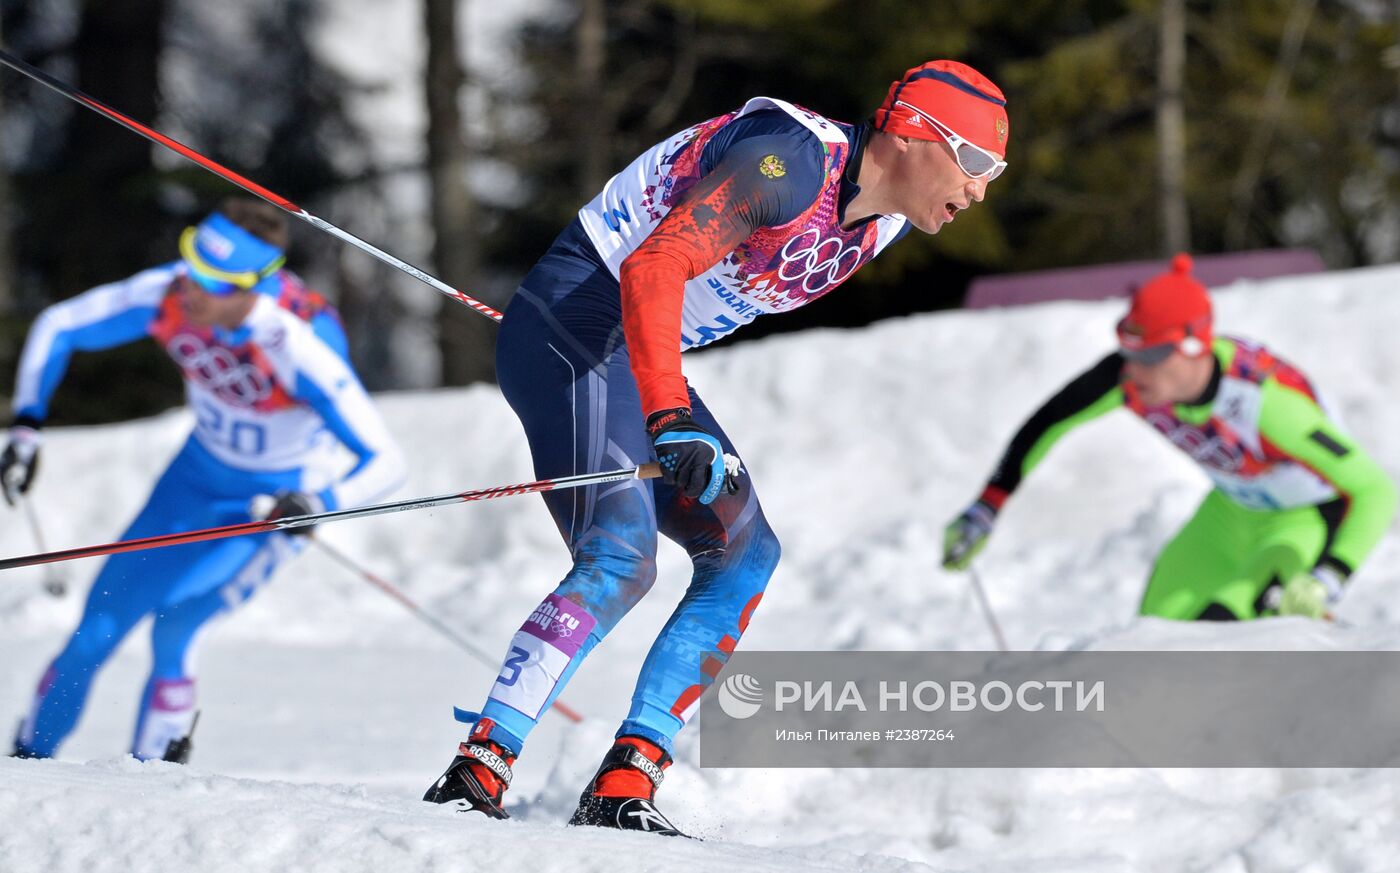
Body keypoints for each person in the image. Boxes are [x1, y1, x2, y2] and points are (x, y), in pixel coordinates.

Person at [421, 60, 1011, 835]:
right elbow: (657, 263)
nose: (979, 189)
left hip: (631, 355)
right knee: (621, 557)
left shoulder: (886, 221)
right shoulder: (789, 160)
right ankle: (480, 764)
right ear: (911, 133)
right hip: (576, 323)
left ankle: (628, 777)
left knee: (747, 553)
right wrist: (669, 415)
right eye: (973, 161)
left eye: (994, 172)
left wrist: (662, 402)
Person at [3, 197, 405, 762]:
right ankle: (24, 767)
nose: (190, 289)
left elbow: (388, 460)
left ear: (250, 287)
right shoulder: (172, 293)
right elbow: (59, 325)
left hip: (265, 507)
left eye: (212, 283)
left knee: (176, 629)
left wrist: (317, 501)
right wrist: (25, 427)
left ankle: (152, 788)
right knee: (95, 629)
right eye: (191, 267)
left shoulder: (296, 343)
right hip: (191, 482)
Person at [942, 254, 1396, 622]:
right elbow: (1048, 421)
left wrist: (1329, 576)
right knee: (1158, 630)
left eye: (1153, 355)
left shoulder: (1265, 404)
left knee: (1231, 624)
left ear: (1195, 346)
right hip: (1232, 510)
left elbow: (1375, 490)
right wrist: (987, 506)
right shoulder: (1131, 378)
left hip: (1303, 520)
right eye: (1129, 353)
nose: (1135, 370)